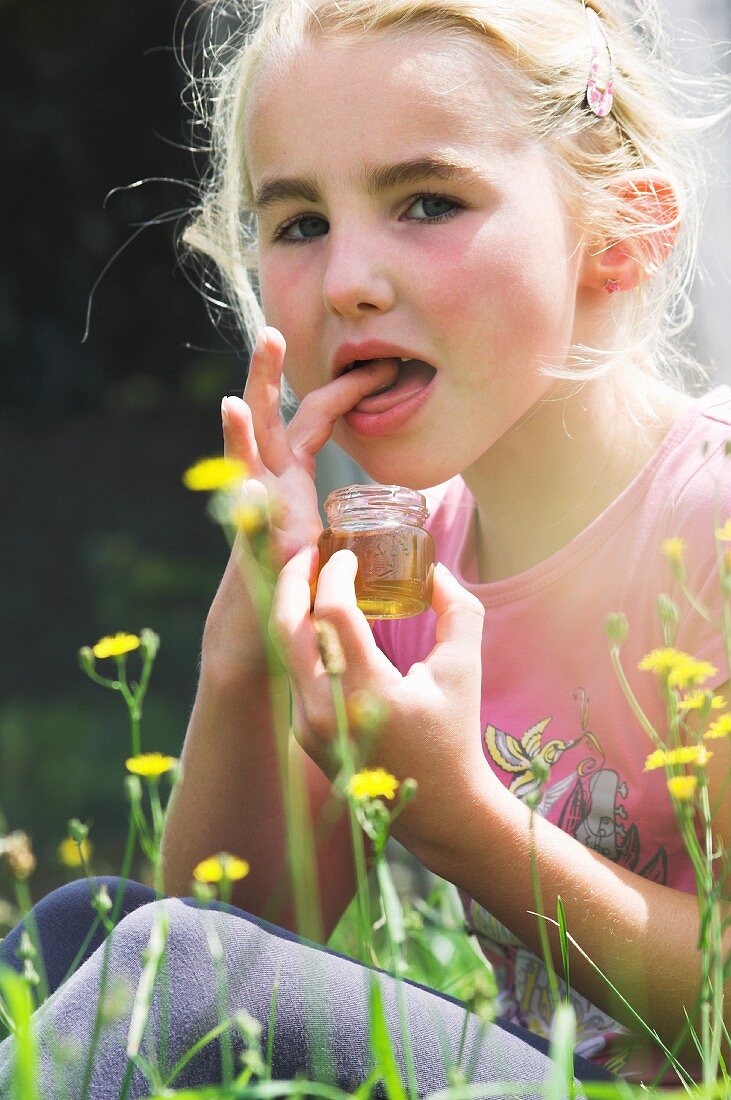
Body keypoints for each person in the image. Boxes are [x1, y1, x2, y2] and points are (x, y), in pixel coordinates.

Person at [2, 0, 730, 1094]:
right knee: (81, 927)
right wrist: (250, 633)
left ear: (618, 232)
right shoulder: (399, 561)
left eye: (425, 201)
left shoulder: (706, 525)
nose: (345, 277)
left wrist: (462, 818)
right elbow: (236, 928)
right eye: (297, 222)